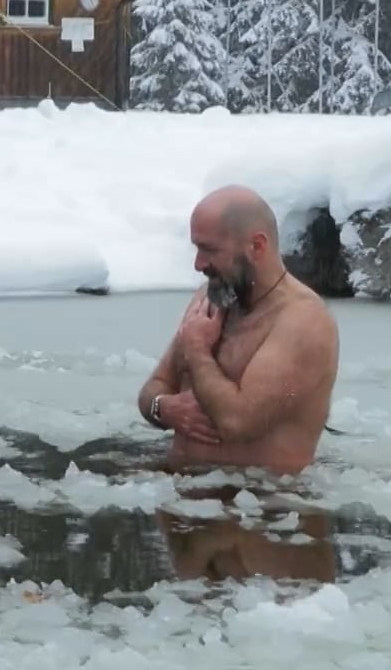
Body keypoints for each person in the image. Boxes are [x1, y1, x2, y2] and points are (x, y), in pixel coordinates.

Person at [136, 184, 340, 476]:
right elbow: (153, 387)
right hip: (186, 492)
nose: (198, 264)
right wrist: (163, 408)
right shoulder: (210, 298)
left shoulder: (303, 320)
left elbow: (236, 421)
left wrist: (197, 351)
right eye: (197, 248)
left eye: (209, 250)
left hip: (262, 506)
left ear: (257, 245)